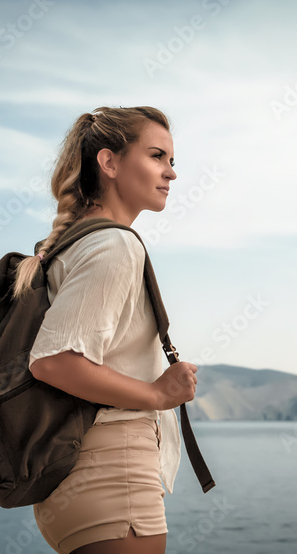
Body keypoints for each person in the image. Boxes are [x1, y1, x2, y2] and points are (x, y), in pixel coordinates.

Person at [13, 107, 198, 554]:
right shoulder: (114, 244)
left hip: (77, 474)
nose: (170, 173)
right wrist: (157, 395)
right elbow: (54, 361)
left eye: (173, 161)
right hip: (113, 473)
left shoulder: (68, 245)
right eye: (157, 156)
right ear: (109, 162)